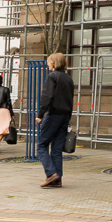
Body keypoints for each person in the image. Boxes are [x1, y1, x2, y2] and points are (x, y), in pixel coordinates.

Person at [36, 53, 75, 188]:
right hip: (65, 116)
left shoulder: (52, 77)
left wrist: (40, 114)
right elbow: (70, 99)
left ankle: (51, 173)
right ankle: (58, 179)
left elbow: (47, 96)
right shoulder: (68, 79)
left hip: (53, 115)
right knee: (57, 148)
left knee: (41, 145)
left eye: (49, 62)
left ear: (54, 63)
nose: (48, 64)